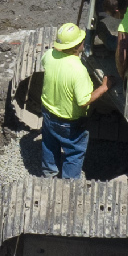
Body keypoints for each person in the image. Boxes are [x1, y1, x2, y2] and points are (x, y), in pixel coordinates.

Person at [36, 22, 109, 180]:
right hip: (68, 122)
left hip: (48, 113)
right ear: (78, 46)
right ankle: (69, 184)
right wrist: (103, 87)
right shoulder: (78, 70)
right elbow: (83, 101)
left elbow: (45, 63)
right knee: (75, 151)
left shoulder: (49, 56)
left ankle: (49, 174)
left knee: (49, 144)